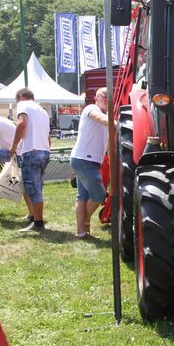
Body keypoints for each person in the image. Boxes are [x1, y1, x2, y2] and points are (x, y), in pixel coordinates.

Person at [9, 88, 51, 232]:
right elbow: (47, 135)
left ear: (20, 97)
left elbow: (22, 124)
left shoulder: (23, 105)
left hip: (31, 151)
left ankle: (38, 223)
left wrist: (14, 146)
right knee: (37, 188)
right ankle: (36, 220)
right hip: (44, 151)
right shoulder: (42, 111)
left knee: (33, 189)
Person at [70, 88, 108, 239]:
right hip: (84, 160)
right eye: (104, 96)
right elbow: (99, 118)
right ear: (96, 99)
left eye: (109, 97)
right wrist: (117, 123)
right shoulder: (91, 109)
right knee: (99, 195)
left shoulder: (106, 116)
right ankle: (85, 222)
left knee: (82, 197)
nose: (107, 99)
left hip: (86, 160)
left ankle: (81, 232)